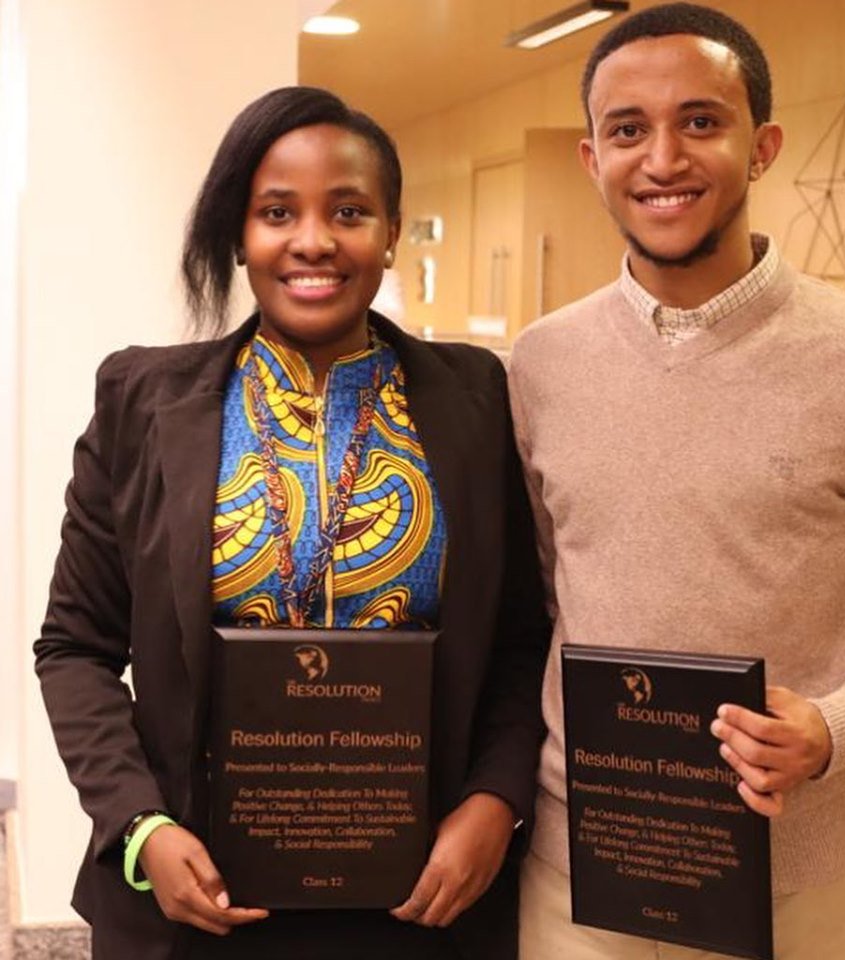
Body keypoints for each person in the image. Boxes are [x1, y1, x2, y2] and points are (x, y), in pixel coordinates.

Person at [35, 85, 549, 960]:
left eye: (348, 211)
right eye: (278, 212)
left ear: (391, 230)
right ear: (240, 234)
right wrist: (140, 827)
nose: (312, 241)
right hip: (197, 895)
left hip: (423, 897)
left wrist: (497, 802)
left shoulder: (477, 399)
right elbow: (75, 647)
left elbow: (519, 638)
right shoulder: (142, 400)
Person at [507, 4, 845, 959]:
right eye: (628, 129)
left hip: (788, 875)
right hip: (578, 869)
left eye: (701, 122)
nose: (663, 158)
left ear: (761, 147)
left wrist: (836, 727)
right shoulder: (540, 365)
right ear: (594, 159)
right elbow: (544, 594)